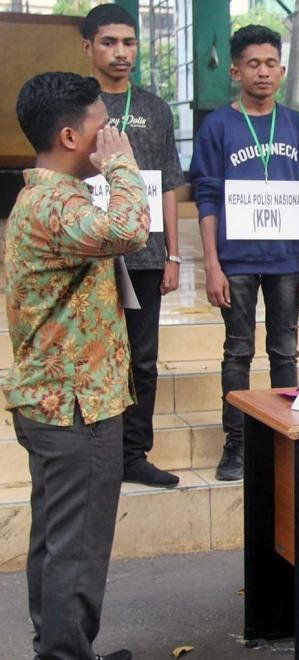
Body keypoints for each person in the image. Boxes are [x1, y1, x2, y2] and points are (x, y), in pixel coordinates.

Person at [5, 71, 150, 660]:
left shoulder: (44, 199)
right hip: (74, 403)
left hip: (59, 397)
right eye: (102, 127)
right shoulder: (52, 205)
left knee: (57, 539)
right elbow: (130, 228)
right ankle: (65, 654)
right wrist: (123, 166)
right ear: (70, 137)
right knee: (77, 544)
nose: (112, 135)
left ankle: (60, 648)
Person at [189, 24, 299, 481]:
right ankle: (237, 444)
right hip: (237, 261)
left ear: (282, 70)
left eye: (270, 64)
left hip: (286, 261)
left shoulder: (298, 126)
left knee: (285, 352)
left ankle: (284, 437)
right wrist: (211, 264)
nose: (262, 72)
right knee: (237, 352)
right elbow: (206, 196)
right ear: (235, 70)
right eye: (253, 64)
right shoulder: (218, 127)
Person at [81, 3, 186, 488]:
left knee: (142, 359)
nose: (121, 52)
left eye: (129, 42)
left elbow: (167, 184)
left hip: (144, 254)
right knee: (93, 354)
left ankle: (132, 454)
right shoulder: (75, 104)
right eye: (109, 42)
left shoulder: (155, 109)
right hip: (87, 252)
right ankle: (91, 456)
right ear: (88, 47)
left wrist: (174, 253)